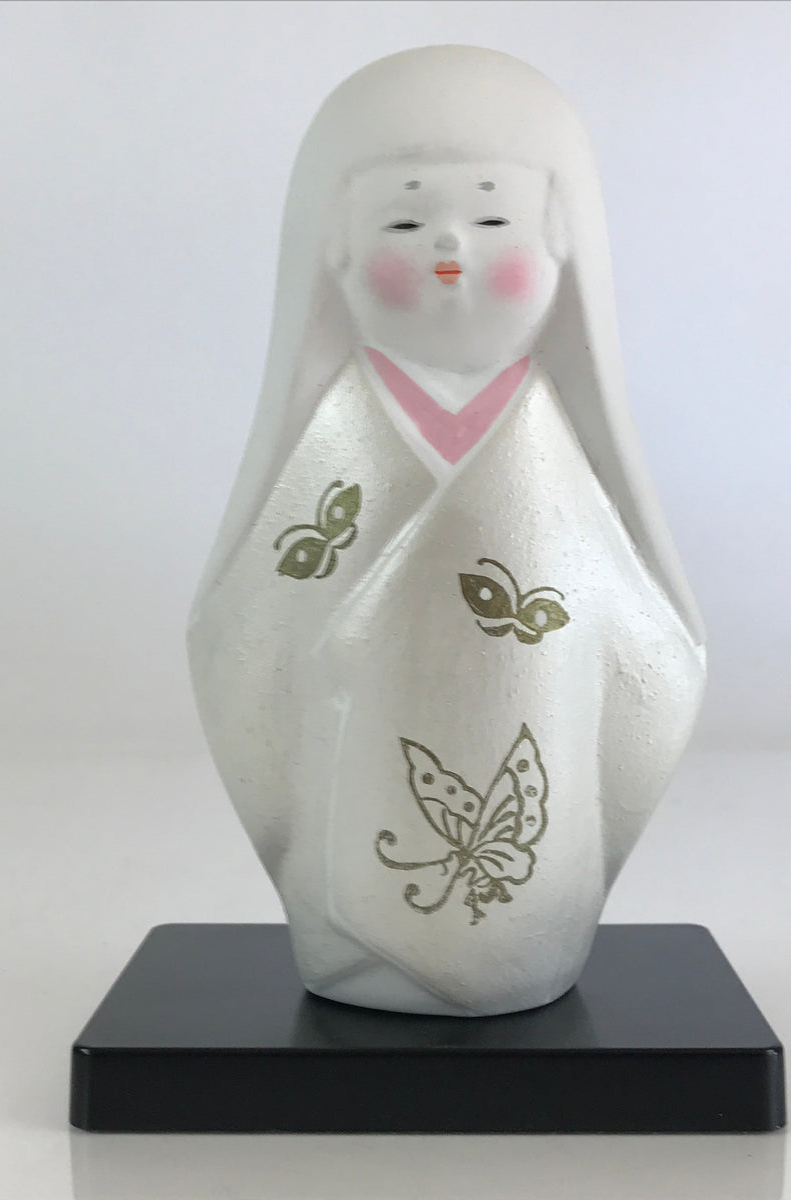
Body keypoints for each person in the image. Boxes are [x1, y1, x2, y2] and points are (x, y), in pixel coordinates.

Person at [188, 47, 706, 1016]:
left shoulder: (554, 447)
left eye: (493, 218)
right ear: (335, 249)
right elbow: (250, 639)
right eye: (405, 219)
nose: (449, 246)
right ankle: (351, 933)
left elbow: (645, 651)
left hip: (543, 839)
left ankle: (530, 938)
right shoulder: (334, 445)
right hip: (344, 849)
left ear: (562, 244)